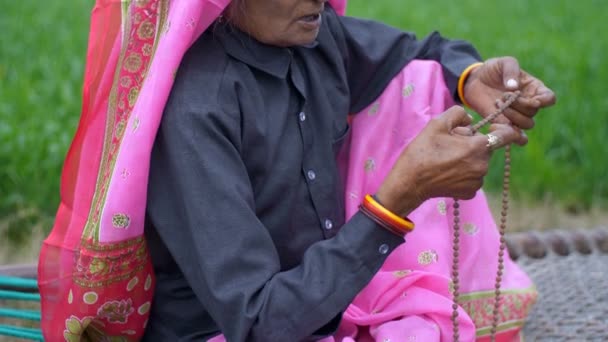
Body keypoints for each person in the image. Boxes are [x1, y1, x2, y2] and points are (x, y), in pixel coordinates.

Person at [37, 0, 555, 341]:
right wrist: (397, 200)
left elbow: (415, 56)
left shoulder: (314, 35)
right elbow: (258, 321)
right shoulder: (196, 111)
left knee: (420, 82)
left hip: (318, 306)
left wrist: (469, 79)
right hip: (228, 332)